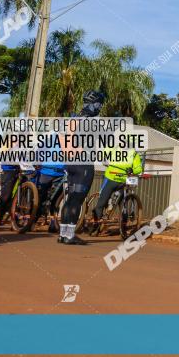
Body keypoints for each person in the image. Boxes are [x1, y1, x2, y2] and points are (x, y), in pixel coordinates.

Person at [59, 90, 105, 245]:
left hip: (70, 163)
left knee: (70, 199)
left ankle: (63, 234)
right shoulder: (92, 121)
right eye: (99, 104)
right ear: (95, 103)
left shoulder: (73, 118)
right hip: (83, 165)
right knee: (77, 200)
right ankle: (70, 235)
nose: (100, 107)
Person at [90, 147, 143, 230]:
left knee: (122, 202)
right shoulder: (115, 149)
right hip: (111, 178)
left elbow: (138, 169)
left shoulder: (134, 154)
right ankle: (96, 221)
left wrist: (132, 170)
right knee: (103, 200)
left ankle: (123, 224)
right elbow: (103, 153)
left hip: (124, 180)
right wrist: (105, 161)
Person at [37, 161, 66, 233]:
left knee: (55, 200)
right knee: (42, 198)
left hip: (60, 173)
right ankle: (34, 220)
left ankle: (52, 222)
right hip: (46, 172)